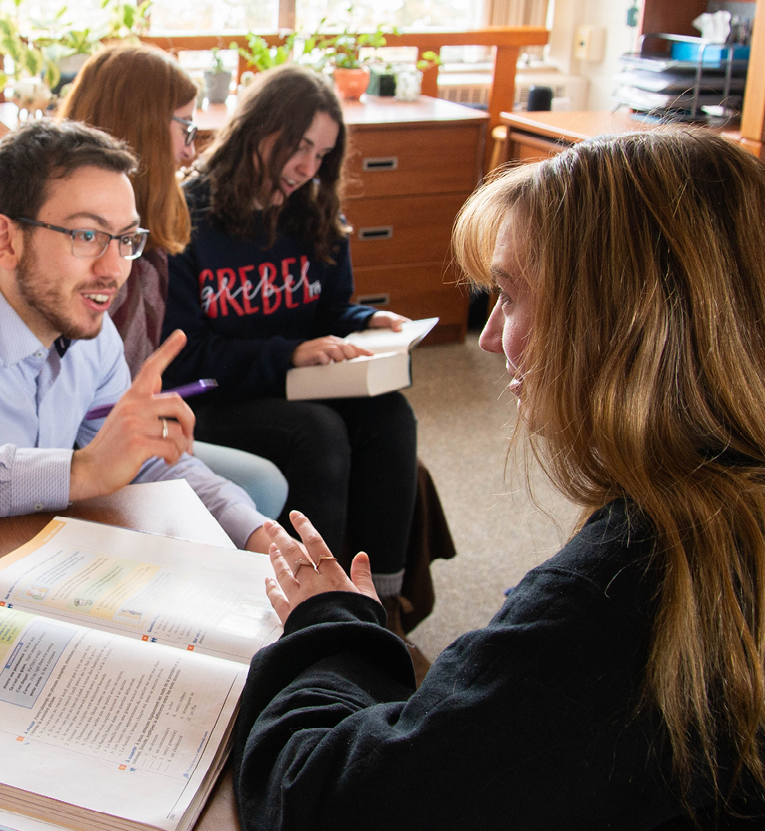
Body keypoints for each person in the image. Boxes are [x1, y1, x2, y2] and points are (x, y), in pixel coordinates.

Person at [231, 129, 765, 828]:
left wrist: (332, 625)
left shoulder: (615, 596)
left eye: (509, 296)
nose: (488, 339)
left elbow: (317, 797)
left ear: (611, 319)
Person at [0, 119, 273, 553]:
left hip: (32, 582)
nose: (114, 270)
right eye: (87, 234)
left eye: (125, 238)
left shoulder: (92, 337)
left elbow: (145, 463)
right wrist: (78, 472)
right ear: (5, 241)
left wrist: (254, 533)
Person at [161, 63, 419, 637]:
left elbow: (325, 314)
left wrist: (365, 319)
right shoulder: (189, 217)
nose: (308, 167)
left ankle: (382, 604)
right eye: (298, 147)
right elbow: (181, 357)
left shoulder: (314, 210)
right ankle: (310, 618)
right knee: (319, 433)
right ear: (257, 129)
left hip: (296, 377)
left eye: (323, 154)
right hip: (218, 396)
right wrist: (287, 354)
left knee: (390, 418)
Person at [59, 42, 288, 518]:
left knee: (262, 488)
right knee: (265, 483)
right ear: (139, 128)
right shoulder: (59, 252)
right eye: (184, 127)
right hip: (67, 455)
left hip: (122, 434)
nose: (190, 150)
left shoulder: (152, 249)